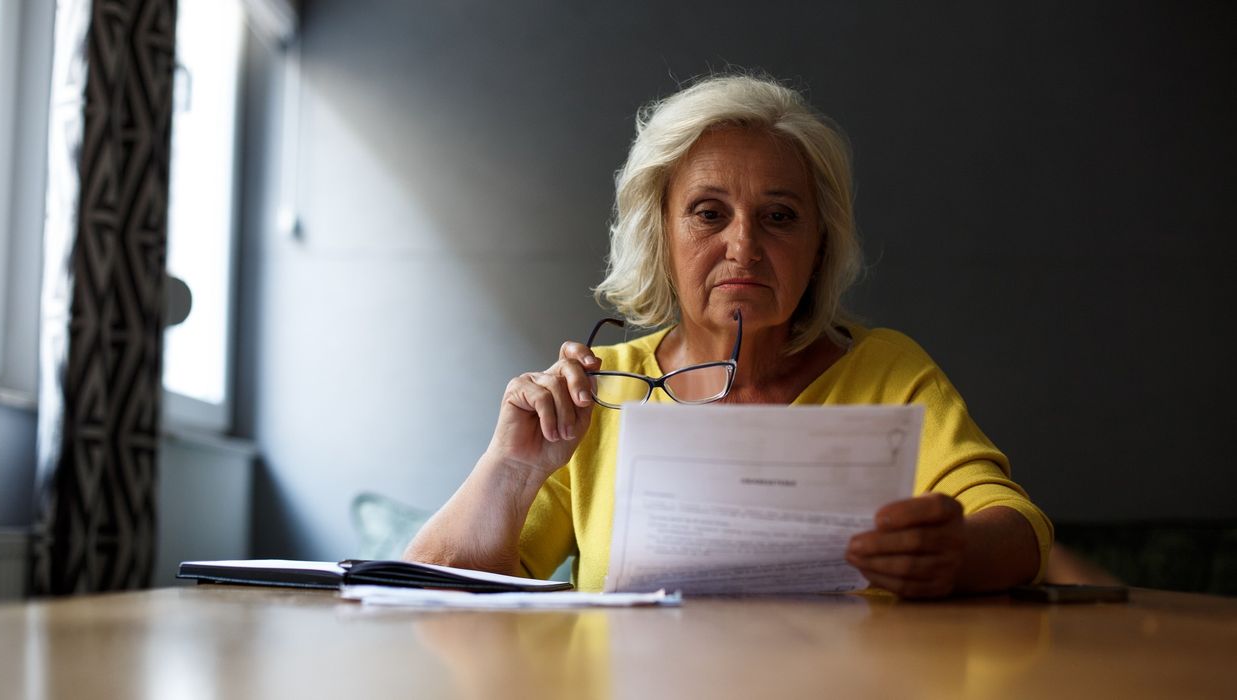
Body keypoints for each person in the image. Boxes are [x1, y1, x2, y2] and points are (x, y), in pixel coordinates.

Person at [405, 74, 1052, 599]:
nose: (743, 246)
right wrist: (512, 469)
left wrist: (954, 555)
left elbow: (1018, 530)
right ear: (659, 233)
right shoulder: (594, 395)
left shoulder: (886, 372)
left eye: (778, 217)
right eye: (708, 213)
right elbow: (429, 592)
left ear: (819, 243)